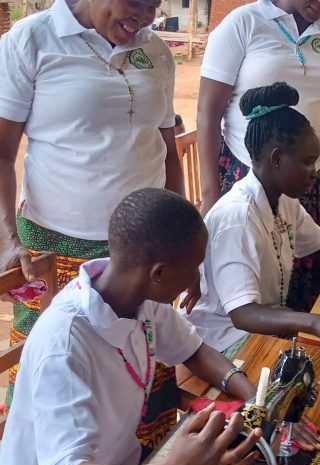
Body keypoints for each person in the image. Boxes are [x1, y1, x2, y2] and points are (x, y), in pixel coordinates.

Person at [0, 188, 263, 465]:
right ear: (160, 273)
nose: (198, 277)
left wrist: (256, 402)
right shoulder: (65, 344)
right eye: (195, 267)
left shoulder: (141, 298)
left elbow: (194, 351)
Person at [0, 0, 184, 413]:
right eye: (136, 3)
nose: (147, 16)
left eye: (154, 5)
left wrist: (182, 236)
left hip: (146, 247)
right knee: (54, 376)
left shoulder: (155, 51)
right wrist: (8, 239)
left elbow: (167, 150)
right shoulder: (31, 40)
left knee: (138, 367)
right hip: (55, 246)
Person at [185, 82, 320, 356]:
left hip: (260, 330)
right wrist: (315, 321)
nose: (314, 172)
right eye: (308, 161)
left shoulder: (284, 200)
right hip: (224, 342)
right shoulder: (238, 218)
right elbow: (243, 313)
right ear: (277, 159)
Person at [197, 0, 320, 237]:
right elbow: (208, 115)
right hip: (246, 174)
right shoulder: (244, 22)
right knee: (245, 258)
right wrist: (210, 195)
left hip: (306, 180)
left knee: (295, 263)